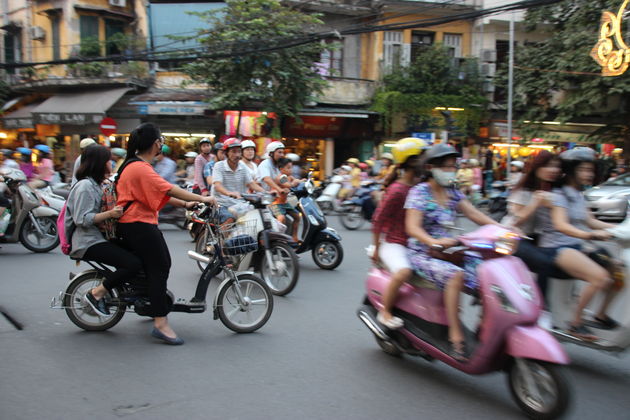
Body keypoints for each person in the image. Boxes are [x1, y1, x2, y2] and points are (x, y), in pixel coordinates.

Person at [116, 123, 217, 345]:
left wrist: (184, 204)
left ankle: (153, 305)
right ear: (155, 144)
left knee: (154, 267)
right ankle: (160, 323)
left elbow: (158, 192)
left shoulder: (137, 166)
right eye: (160, 140)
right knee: (160, 266)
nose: (162, 143)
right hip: (138, 224)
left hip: (137, 222)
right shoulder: (140, 168)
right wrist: (201, 199)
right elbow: (166, 187)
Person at [405, 144, 501, 360]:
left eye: (453, 167)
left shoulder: (453, 192)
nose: (451, 171)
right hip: (422, 252)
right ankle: (455, 336)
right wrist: (433, 242)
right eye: (446, 167)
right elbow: (412, 228)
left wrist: (501, 229)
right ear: (431, 167)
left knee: (486, 269)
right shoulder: (419, 192)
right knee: (455, 275)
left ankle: (486, 326)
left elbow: (475, 214)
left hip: (448, 248)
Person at [538, 147, 620, 340]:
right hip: (557, 247)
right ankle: (575, 323)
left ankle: (600, 315)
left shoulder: (579, 194)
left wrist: (619, 230)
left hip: (576, 245)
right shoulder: (559, 195)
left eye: (590, 170)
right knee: (600, 277)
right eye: (583, 169)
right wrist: (590, 236)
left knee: (617, 272)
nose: (588, 174)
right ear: (571, 170)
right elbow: (561, 226)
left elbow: (591, 221)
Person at [63, 145, 143, 317]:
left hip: (97, 237)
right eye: (109, 160)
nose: (111, 163)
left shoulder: (97, 184)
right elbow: (82, 219)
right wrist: (110, 213)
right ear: (99, 163)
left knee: (142, 253)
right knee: (132, 264)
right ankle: (96, 294)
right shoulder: (85, 186)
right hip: (87, 242)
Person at [372, 137, 426, 329]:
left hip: (417, 243)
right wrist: (377, 249)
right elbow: (378, 220)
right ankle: (385, 311)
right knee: (404, 271)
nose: (427, 162)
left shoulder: (422, 187)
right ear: (411, 161)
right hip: (395, 243)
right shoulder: (397, 190)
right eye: (423, 157)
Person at [211, 138, 266, 224]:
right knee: (229, 218)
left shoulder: (242, 167)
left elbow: (251, 183)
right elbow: (217, 185)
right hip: (221, 203)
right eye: (233, 151)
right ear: (226, 153)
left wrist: (266, 192)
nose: (237, 155)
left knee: (256, 217)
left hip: (239, 203)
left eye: (239, 151)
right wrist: (229, 193)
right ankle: (225, 238)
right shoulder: (219, 166)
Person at [269, 157, 302, 242]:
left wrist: (303, 181)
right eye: (288, 168)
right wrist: (295, 183)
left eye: (291, 167)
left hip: (285, 203)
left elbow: (297, 181)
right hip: (275, 204)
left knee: (297, 216)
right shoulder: (280, 177)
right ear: (281, 169)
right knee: (281, 218)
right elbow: (289, 185)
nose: (291, 170)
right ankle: (280, 240)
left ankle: (294, 237)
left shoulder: (289, 176)